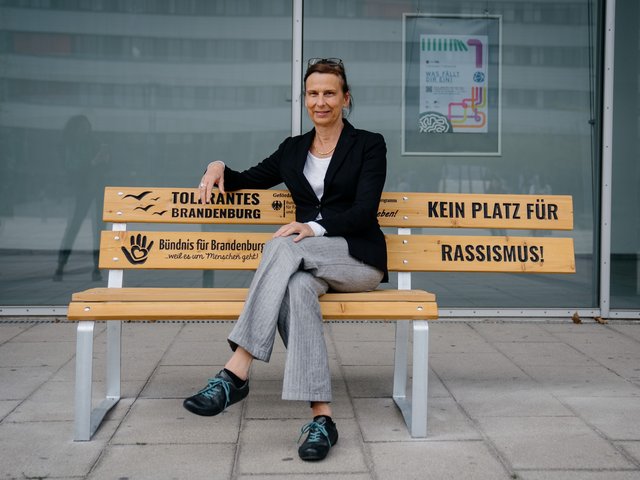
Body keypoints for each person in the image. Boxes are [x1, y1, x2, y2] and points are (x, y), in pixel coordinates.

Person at [183, 58, 388, 462]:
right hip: (308, 265)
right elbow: (246, 179)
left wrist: (312, 228)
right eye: (313, 93)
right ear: (305, 100)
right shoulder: (293, 149)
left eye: (330, 93)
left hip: (356, 259)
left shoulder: (369, 144)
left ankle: (236, 370)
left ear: (346, 99)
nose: (321, 101)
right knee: (294, 288)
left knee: (281, 244)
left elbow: (364, 211)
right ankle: (322, 420)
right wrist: (217, 165)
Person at [53, 115, 109, 281]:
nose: (86, 129)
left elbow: (103, 167)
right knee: (74, 226)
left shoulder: (94, 142)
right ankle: (61, 265)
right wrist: (94, 161)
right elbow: (73, 167)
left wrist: (105, 159)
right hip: (82, 190)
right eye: (83, 127)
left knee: (99, 229)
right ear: (76, 129)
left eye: (88, 126)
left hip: (98, 189)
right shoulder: (71, 145)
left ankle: (97, 268)